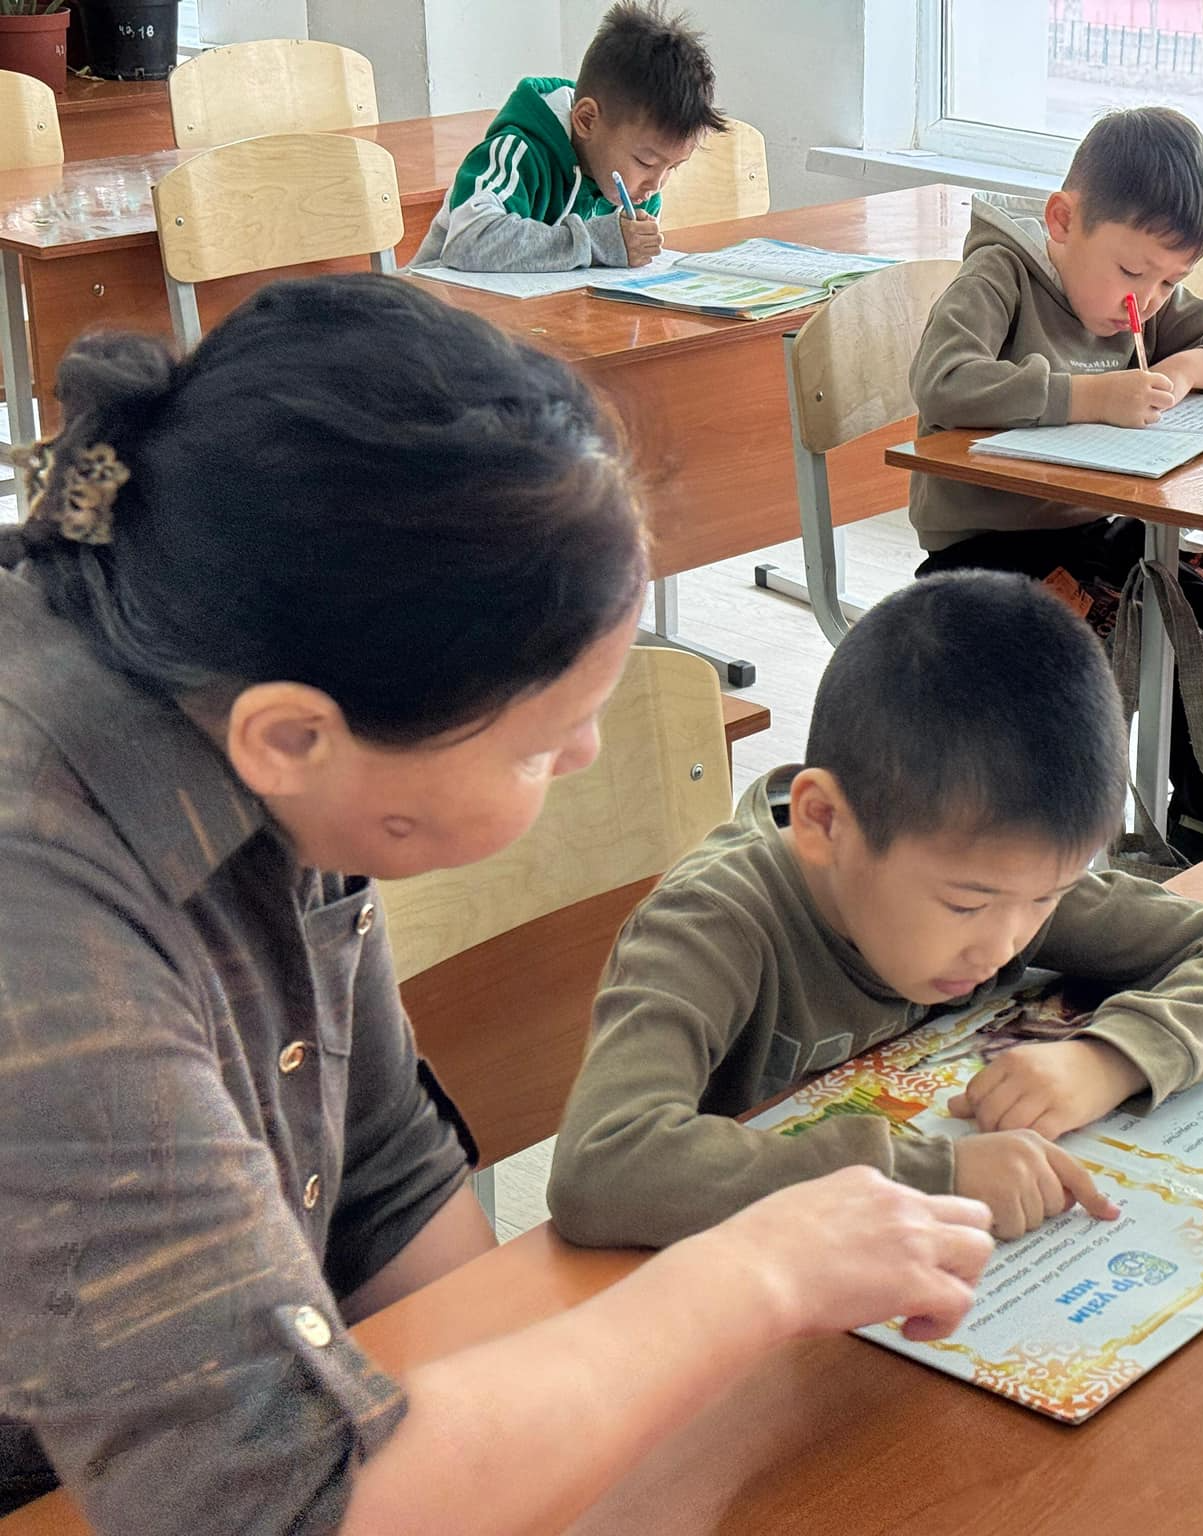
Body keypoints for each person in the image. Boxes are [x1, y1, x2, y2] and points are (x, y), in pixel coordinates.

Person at [0, 274, 993, 1535]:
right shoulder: (39, 905)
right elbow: (273, 1507)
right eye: (537, 744)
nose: (584, 756)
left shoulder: (257, 692)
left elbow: (382, 1184)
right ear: (293, 739)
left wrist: (548, 1458)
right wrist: (752, 1275)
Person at [547, 572, 1203, 1245]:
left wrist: (1108, 1059)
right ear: (824, 822)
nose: (1003, 944)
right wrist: (929, 1176)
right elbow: (601, 1168)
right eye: (965, 905)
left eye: (1046, 899)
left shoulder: (1000, 878)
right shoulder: (711, 924)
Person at [907, 106, 1203, 866]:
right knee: (1182, 652)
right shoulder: (999, 277)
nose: (1147, 301)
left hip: (1098, 538)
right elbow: (944, 381)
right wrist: (1087, 396)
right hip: (989, 558)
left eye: (1171, 281)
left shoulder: (1145, 304)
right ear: (1063, 221)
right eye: (1133, 273)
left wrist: (1185, 368)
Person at [411, 1, 723, 274]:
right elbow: (468, 241)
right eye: (645, 162)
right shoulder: (519, 151)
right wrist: (596, 244)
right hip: (437, 314)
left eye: (672, 168)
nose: (655, 185)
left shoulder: (639, 191)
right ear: (586, 120)